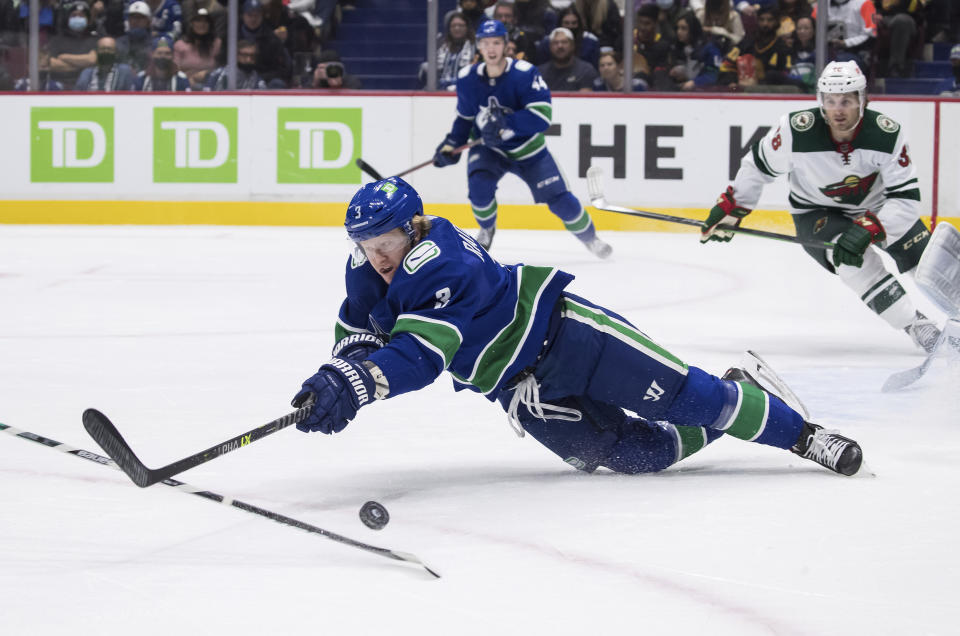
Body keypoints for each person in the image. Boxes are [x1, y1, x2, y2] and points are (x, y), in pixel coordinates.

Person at [290, 176, 865, 479]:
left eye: (385, 243)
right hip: (518, 387)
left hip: (569, 339)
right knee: (639, 457)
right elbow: (359, 330)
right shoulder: (370, 265)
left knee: (690, 398)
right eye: (365, 247)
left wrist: (358, 385)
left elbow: (419, 356)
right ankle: (749, 392)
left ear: (413, 230)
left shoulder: (438, 262)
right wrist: (334, 376)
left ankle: (800, 435)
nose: (376, 258)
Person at [701, 60, 940, 353]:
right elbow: (757, 167)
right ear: (820, 101)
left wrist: (872, 226)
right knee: (851, 261)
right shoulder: (794, 130)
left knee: (932, 265)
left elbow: (905, 198)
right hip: (816, 213)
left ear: (862, 101)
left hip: (877, 208)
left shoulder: (886, 135)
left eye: (847, 101)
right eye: (830, 101)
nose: (838, 110)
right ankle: (918, 327)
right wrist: (735, 207)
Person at [433, 19, 611, 258]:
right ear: (479, 47)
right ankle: (486, 228)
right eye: (486, 43)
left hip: (529, 151)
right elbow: (465, 119)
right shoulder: (467, 78)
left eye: (496, 42)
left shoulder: (524, 74)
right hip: (489, 150)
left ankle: (591, 238)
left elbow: (542, 115)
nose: (491, 48)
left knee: (561, 201)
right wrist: (451, 145)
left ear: (506, 45)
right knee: (479, 189)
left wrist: (508, 125)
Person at [419, 12, 476, 91]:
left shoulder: (475, 46)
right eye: (453, 26)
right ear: (449, 28)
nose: (457, 28)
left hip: (467, 90)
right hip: (439, 89)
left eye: (461, 25)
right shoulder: (439, 44)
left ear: (467, 27)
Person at [173, 8, 221, 89]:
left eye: (205, 21)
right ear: (192, 23)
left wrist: (208, 73)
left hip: (211, 87)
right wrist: (186, 80)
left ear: (210, 24)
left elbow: (222, 69)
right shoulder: (180, 45)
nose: (202, 24)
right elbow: (174, 70)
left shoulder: (217, 44)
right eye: (198, 20)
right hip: (183, 87)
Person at [537, 26, 598, 91]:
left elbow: (585, 99)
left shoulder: (585, 70)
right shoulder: (539, 73)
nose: (560, 46)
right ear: (550, 47)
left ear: (573, 45)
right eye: (555, 43)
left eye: (564, 42)